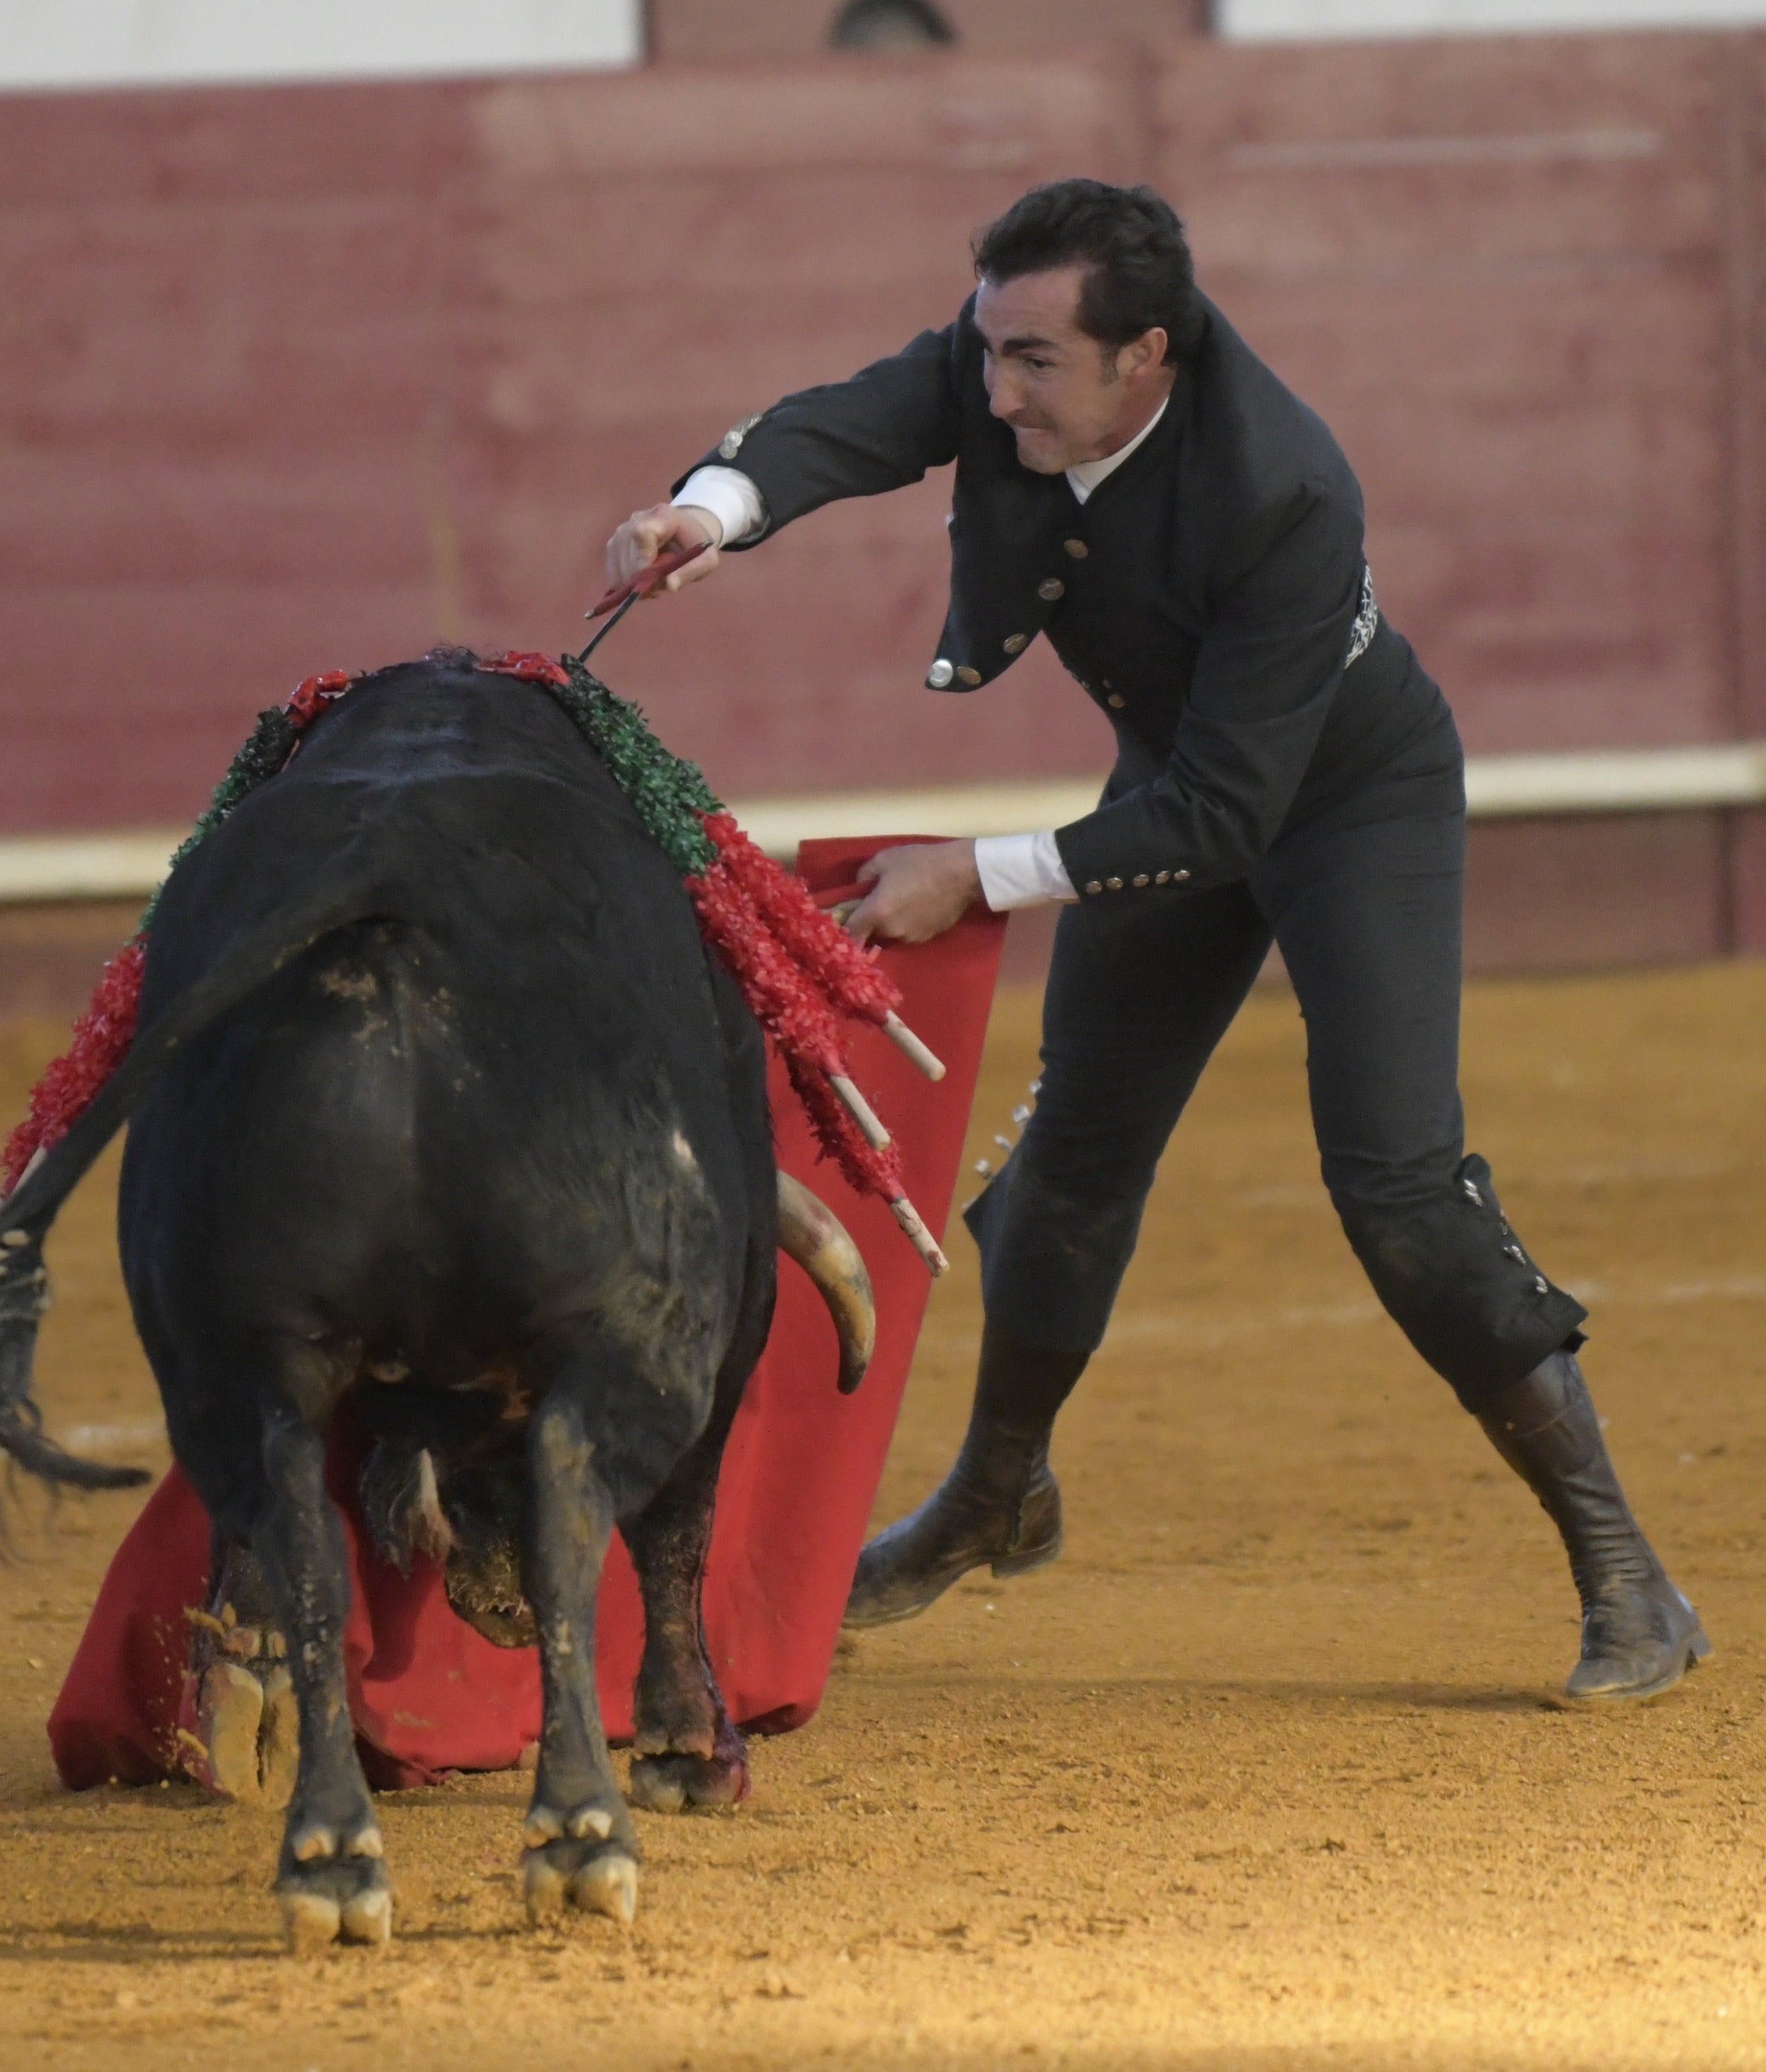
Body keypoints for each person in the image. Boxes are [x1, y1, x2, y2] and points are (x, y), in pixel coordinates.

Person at [601, 179, 1708, 1704]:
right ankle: (992, 1499)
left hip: (1340, 808)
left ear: (1150, 356)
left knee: (1399, 1189)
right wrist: (704, 515)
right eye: (986, 353)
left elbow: (1229, 813)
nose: (993, 394)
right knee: (1064, 1171)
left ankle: (1629, 1577)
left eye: (1033, 365)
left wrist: (979, 874)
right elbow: (842, 421)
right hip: (1174, 792)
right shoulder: (1014, 353)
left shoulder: (1284, 489)